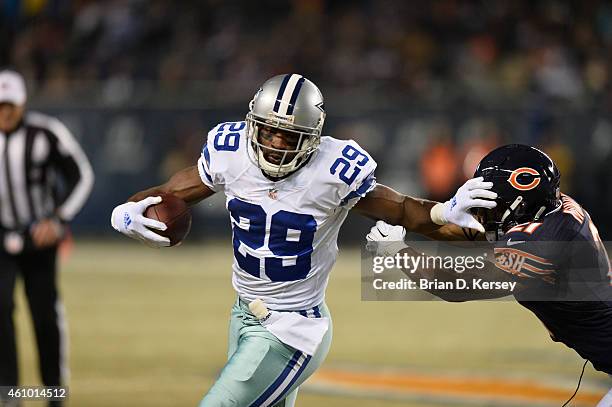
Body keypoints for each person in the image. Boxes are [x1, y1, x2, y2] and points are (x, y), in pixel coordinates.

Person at [110, 73, 495, 406]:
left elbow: (403, 210)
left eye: (289, 134)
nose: (277, 142)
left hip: (292, 329)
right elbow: (164, 195)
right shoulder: (230, 153)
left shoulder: (334, 170)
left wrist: (444, 213)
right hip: (242, 314)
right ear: (252, 124)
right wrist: (124, 212)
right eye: (269, 130)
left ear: (313, 136)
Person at [367, 144, 612, 406]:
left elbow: (457, 284)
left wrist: (396, 250)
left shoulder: (545, 238)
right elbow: (450, 230)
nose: (486, 213)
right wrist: (444, 211)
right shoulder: (548, 212)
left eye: (495, 204)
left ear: (523, 199)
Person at [0, 69, 94, 407]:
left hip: (40, 237)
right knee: (0, 308)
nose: (4, 112)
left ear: (22, 104)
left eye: (9, 105)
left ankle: (53, 392)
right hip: (1, 237)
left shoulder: (44, 133)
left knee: (44, 313)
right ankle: (9, 394)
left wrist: (58, 219)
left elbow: (82, 175)